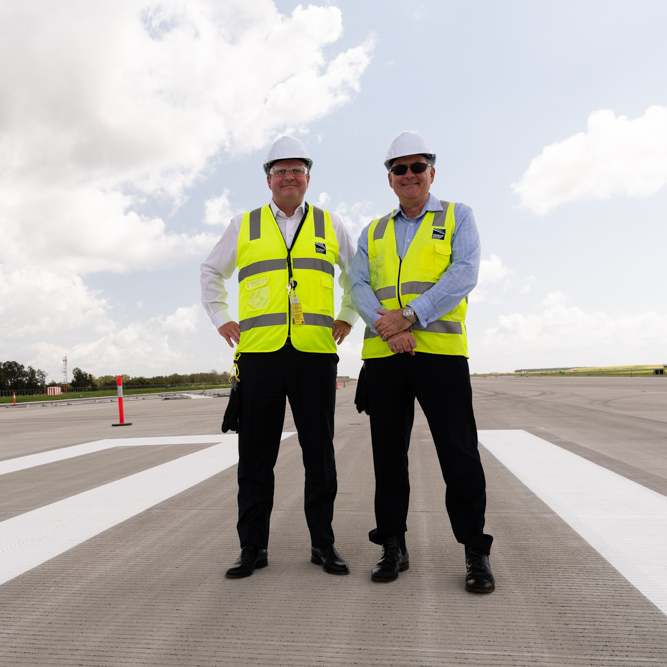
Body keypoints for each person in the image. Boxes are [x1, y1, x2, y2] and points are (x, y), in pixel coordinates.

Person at [201, 135, 358, 578]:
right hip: (259, 356)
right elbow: (211, 270)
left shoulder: (331, 224)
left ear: (308, 177)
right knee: (255, 458)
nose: (289, 177)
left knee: (319, 456)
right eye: (280, 170)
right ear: (268, 179)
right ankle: (252, 547)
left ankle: (323, 545)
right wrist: (221, 317)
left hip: (313, 355)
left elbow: (358, 275)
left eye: (297, 170)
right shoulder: (243, 225)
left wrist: (347, 315)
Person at [348, 130, 495, 592]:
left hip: (440, 355)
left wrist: (411, 316)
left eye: (417, 167)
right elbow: (356, 286)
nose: (408, 175)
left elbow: (463, 273)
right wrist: (390, 329)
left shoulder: (458, 216)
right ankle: (392, 546)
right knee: (387, 456)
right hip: (385, 357)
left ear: (432, 172)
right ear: (389, 179)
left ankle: (475, 552)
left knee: (460, 454)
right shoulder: (373, 232)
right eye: (399, 168)